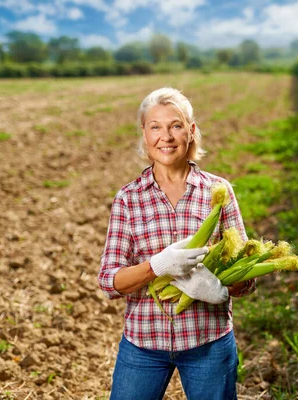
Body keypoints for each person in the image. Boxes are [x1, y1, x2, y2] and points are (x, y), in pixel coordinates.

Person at [98, 87, 256, 400]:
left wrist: (220, 288)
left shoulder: (218, 191)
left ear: (191, 131)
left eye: (176, 125)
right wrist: (157, 266)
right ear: (144, 133)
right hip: (143, 345)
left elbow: (247, 280)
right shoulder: (129, 199)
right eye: (155, 126)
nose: (166, 137)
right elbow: (108, 282)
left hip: (209, 342)